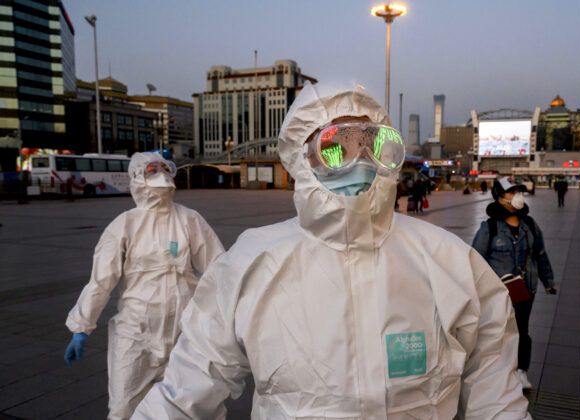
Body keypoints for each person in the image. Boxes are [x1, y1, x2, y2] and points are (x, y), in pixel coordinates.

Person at [133, 83, 530, 419]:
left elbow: (496, 391)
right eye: (335, 148)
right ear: (300, 160)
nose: (359, 160)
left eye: (372, 144)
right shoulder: (252, 263)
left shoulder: (448, 260)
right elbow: (185, 390)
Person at [63, 152, 225, 419]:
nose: (160, 174)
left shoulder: (189, 219)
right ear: (137, 176)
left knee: (190, 404)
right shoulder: (125, 224)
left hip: (184, 329)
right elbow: (101, 280)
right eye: (152, 169)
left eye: (165, 168)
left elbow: (218, 268)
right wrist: (81, 327)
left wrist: (228, 317)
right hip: (136, 332)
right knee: (125, 404)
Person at [471, 177, 557, 391]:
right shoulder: (489, 228)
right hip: (498, 292)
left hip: (526, 289)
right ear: (499, 198)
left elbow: (540, 254)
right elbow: (475, 259)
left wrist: (549, 281)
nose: (517, 196)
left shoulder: (530, 226)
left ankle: (521, 371)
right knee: (497, 330)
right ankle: (497, 370)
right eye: (511, 192)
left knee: (522, 330)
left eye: (519, 191)